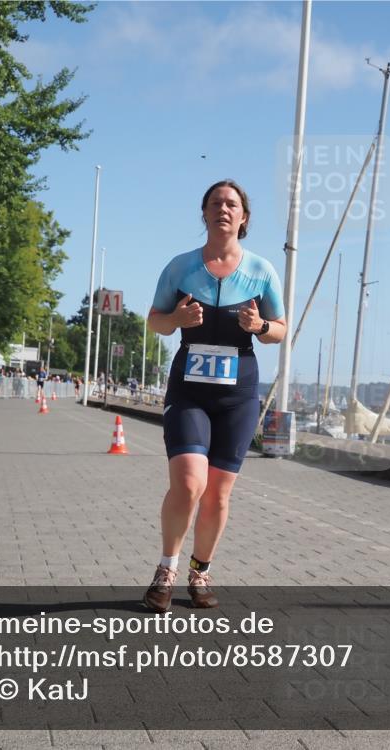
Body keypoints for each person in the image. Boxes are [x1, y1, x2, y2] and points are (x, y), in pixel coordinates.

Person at [143, 180, 287, 612]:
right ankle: (166, 568)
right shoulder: (181, 268)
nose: (223, 209)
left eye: (232, 204)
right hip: (189, 389)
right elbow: (155, 322)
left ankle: (200, 570)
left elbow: (280, 331)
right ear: (203, 213)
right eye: (215, 203)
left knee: (218, 495)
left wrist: (259, 327)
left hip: (238, 394)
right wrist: (177, 317)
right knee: (189, 483)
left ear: (243, 218)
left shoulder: (261, 271)